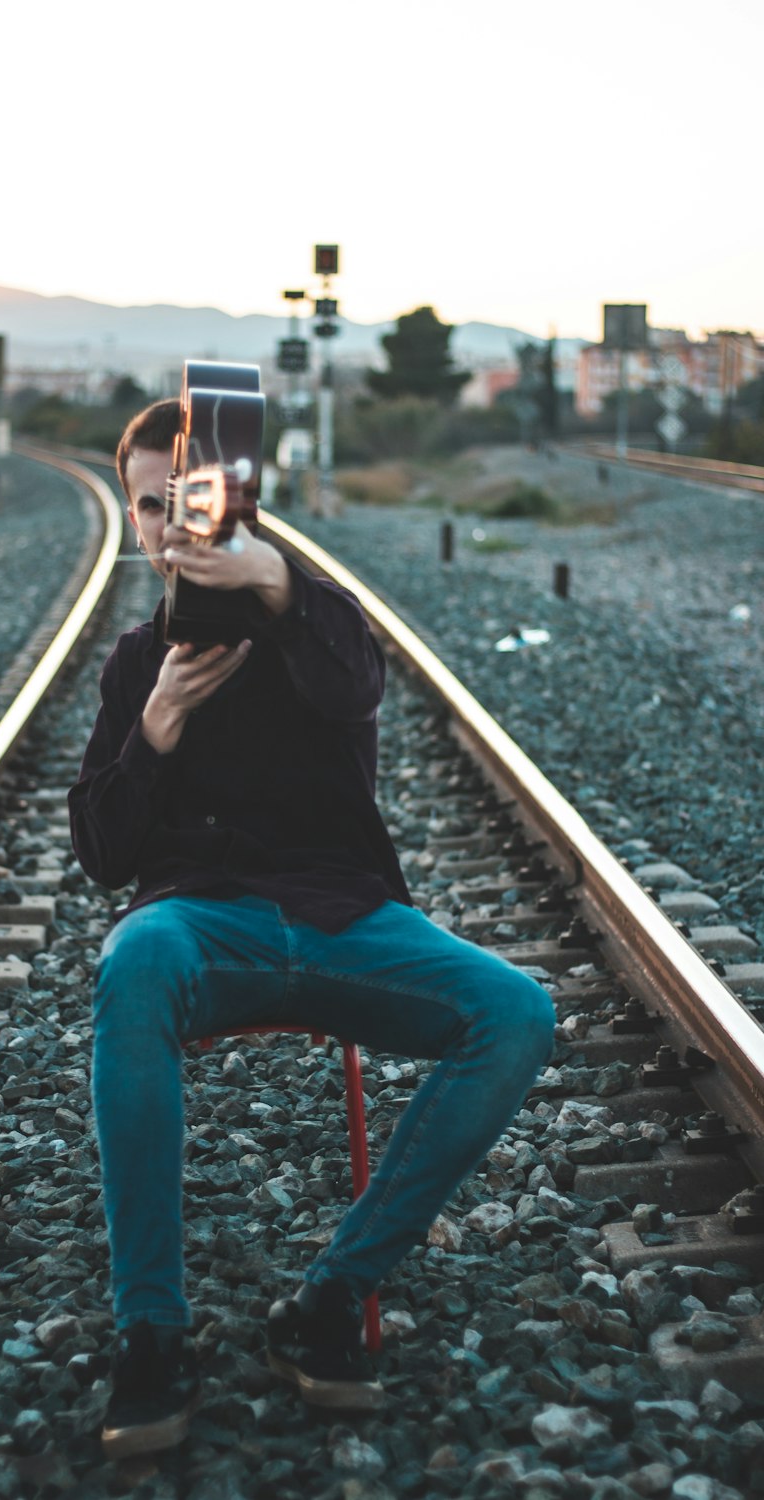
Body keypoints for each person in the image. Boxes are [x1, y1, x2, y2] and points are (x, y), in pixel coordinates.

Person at [68, 399, 555, 1461]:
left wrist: (270, 583)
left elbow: (355, 681)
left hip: (346, 919)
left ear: (236, 499)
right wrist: (153, 726)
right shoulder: (130, 665)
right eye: (152, 506)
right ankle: (151, 1332)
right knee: (133, 959)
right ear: (134, 515)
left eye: (190, 500)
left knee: (516, 1010)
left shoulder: (315, 612)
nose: (170, 525)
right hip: (202, 925)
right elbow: (103, 855)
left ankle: (330, 1298)